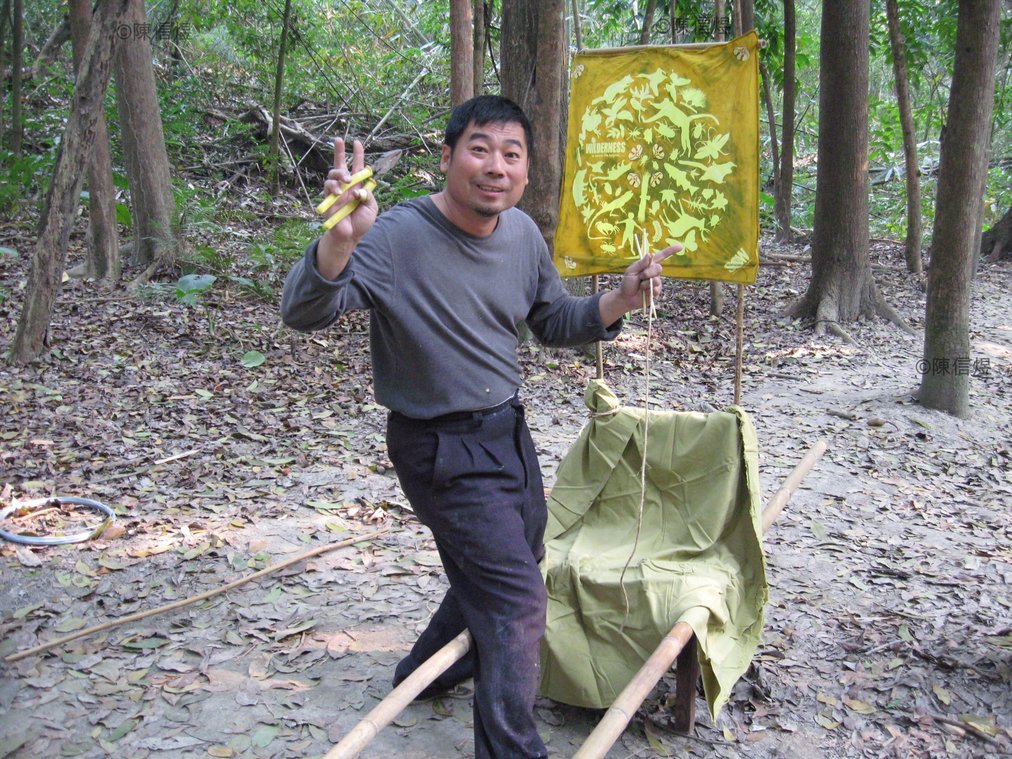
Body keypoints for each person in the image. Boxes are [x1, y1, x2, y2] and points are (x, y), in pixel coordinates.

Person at [281, 95, 678, 759]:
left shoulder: (520, 234)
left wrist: (621, 297)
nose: (496, 166)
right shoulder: (397, 235)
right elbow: (302, 312)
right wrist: (340, 240)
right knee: (516, 601)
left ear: (526, 170)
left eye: (511, 154)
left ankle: (425, 671)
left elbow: (552, 320)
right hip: (437, 446)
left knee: (512, 568)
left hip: (506, 433)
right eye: (480, 149)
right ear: (447, 157)